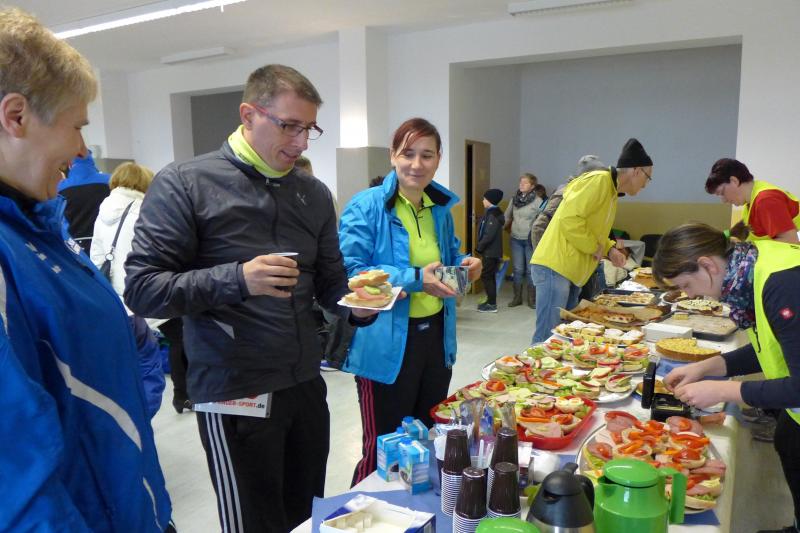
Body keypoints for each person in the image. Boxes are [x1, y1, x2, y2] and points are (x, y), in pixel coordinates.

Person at [124, 64, 377, 533]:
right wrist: (238, 278)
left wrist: (357, 306)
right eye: (289, 126)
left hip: (304, 384)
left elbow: (331, 281)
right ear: (248, 115)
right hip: (234, 389)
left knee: (305, 516)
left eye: (310, 129)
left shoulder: (312, 193)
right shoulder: (186, 183)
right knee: (254, 523)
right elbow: (143, 289)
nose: (301, 142)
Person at [0, 8, 171, 531]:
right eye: (76, 126)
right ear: (16, 116)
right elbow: (18, 484)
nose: (81, 150)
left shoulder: (40, 231)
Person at [338, 117, 482, 485]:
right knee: (384, 449)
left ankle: (414, 510)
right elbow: (351, 271)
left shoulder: (438, 208)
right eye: (408, 154)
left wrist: (465, 263)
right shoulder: (367, 205)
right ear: (392, 156)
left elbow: (447, 256)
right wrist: (415, 279)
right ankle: (363, 509)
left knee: (425, 438)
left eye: (427, 155)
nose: (417, 164)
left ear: (438, 160)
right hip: (385, 346)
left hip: (435, 339)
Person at [655, 223, 800, 533]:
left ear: (707, 265)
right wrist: (707, 367)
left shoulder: (782, 285)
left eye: (687, 285)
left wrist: (724, 391)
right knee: (788, 441)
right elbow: (770, 346)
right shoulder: (751, 266)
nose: (689, 295)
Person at [530, 139, 652, 343]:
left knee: (565, 336)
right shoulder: (599, 181)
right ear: (637, 171)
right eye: (648, 178)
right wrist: (594, 247)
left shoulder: (611, 191)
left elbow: (594, 230)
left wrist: (610, 249)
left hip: (571, 269)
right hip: (555, 266)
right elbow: (570, 219)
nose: (646, 184)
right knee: (547, 338)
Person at [89, 162, 166, 417]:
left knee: (121, 370)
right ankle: (141, 420)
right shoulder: (145, 212)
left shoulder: (102, 211)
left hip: (112, 304)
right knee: (149, 368)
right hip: (140, 300)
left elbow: (95, 258)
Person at [705, 158, 799, 244]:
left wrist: (748, 249)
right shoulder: (751, 201)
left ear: (734, 181)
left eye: (722, 193)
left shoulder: (766, 200)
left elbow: (790, 241)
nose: (724, 200)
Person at [58, 150, 110, 252]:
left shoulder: (60, 187)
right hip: (106, 242)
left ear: (70, 165)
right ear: (91, 161)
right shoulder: (110, 181)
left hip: (75, 245)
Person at [504, 173, 542, 308]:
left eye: (525, 183)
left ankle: (532, 300)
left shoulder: (538, 201)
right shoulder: (514, 199)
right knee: (518, 269)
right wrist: (499, 228)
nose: (521, 184)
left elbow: (543, 220)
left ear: (532, 186)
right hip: (516, 239)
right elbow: (507, 216)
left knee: (530, 270)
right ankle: (517, 298)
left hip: (530, 240)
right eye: (520, 182)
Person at [477, 188, 505, 313]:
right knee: (489, 276)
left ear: (490, 200)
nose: (483, 201)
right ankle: (490, 301)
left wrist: (480, 247)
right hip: (490, 251)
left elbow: (489, 234)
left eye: (484, 199)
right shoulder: (491, 212)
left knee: (487, 276)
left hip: (491, 251)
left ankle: (492, 304)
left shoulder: (493, 214)